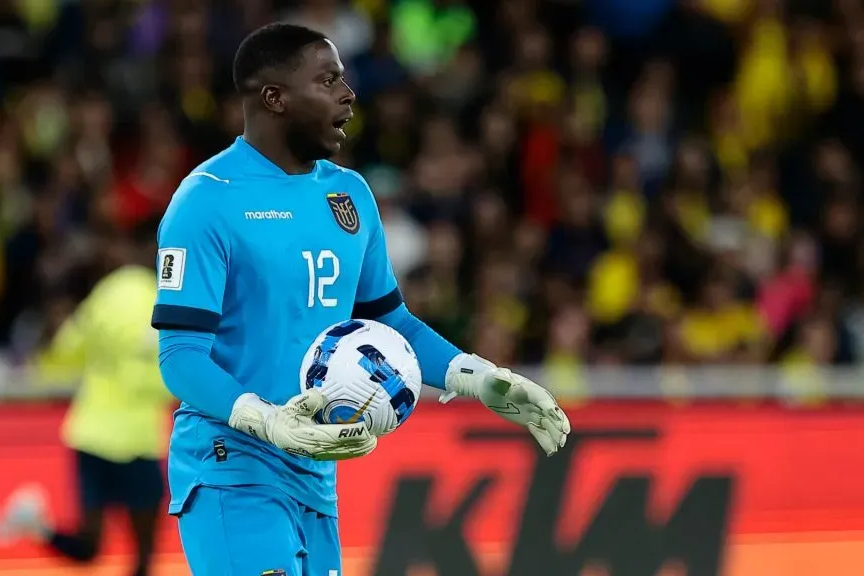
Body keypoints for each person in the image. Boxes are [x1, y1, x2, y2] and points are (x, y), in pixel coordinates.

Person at [153, 23, 571, 575]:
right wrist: (265, 419)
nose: (348, 95)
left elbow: (391, 323)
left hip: (315, 473)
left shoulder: (348, 195)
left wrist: (478, 377)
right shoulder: (207, 202)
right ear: (274, 98)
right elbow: (179, 356)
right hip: (232, 464)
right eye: (328, 80)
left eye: (344, 79)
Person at [0, 219, 173, 576]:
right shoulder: (165, 300)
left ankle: (35, 525)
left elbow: (68, 348)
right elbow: (171, 376)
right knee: (145, 556)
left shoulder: (105, 293)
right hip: (137, 440)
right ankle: (32, 523)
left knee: (89, 548)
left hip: (91, 433)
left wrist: (35, 373)